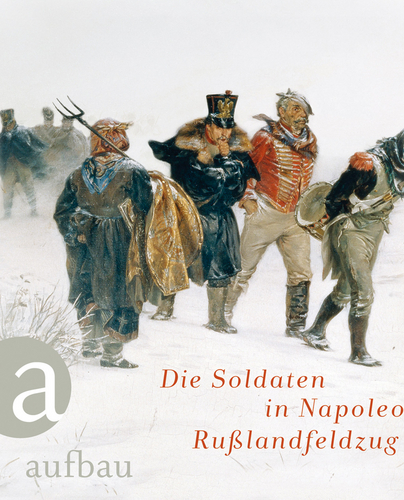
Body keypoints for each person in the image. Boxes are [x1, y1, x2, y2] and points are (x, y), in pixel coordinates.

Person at [302, 127, 404, 366]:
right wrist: (336, 216)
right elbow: (335, 196)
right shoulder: (368, 164)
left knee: (345, 289)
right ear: (401, 147)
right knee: (363, 292)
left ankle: (315, 331)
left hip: (375, 231)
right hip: (351, 229)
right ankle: (359, 352)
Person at [149, 92, 259, 333]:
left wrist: (224, 161)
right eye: (219, 127)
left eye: (228, 129)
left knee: (221, 265)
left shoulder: (236, 151)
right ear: (208, 125)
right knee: (176, 257)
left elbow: (236, 185)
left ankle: (217, 319)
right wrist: (204, 166)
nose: (224, 134)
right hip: (187, 211)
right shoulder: (186, 148)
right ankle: (165, 307)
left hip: (220, 216)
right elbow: (196, 185)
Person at [54, 118, 153, 368]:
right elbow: (145, 207)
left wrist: (74, 232)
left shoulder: (78, 172)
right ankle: (111, 353)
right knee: (119, 291)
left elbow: (63, 211)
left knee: (87, 287)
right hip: (120, 239)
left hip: (84, 238)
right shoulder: (134, 170)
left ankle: (90, 343)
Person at [225, 89, 317, 337]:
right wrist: (247, 199)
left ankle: (296, 326)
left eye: (304, 110)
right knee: (244, 267)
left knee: (301, 271)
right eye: (295, 109)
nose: (302, 114)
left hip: (295, 218)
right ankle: (222, 314)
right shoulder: (265, 137)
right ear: (282, 112)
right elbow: (244, 167)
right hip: (266, 211)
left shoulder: (310, 140)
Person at [0, 108, 48, 218]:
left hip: (23, 164)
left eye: (9, 124)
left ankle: (33, 210)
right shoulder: (2, 136)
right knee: (7, 189)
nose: (7, 126)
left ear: (13, 121)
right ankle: (7, 213)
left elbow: (36, 145)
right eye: (5, 124)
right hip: (9, 167)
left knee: (29, 187)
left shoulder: (23, 131)